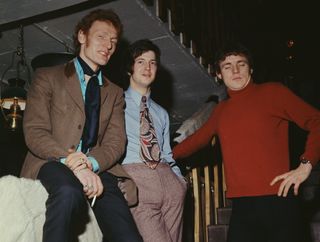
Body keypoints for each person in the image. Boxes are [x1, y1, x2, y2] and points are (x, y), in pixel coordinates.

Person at [173, 42, 320, 242]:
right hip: (242, 207)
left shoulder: (273, 92)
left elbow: (316, 121)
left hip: (278, 201)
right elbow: (195, 141)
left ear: (250, 69)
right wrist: (162, 156)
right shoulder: (221, 110)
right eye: (227, 66)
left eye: (241, 64)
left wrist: (306, 165)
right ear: (218, 74)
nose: (235, 70)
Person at [20, 9, 143, 242]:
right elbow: (35, 130)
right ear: (82, 36)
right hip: (52, 160)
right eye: (101, 37)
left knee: (129, 237)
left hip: (97, 167)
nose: (108, 45)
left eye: (114, 42)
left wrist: (90, 163)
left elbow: (116, 143)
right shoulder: (47, 76)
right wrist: (72, 162)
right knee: (68, 192)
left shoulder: (115, 92)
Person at [120, 39, 187, 242]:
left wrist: (180, 181)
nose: (147, 67)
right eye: (141, 61)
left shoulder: (161, 112)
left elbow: (167, 153)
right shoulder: (115, 103)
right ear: (130, 68)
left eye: (153, 62)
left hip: (170, 183)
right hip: (138, 182)